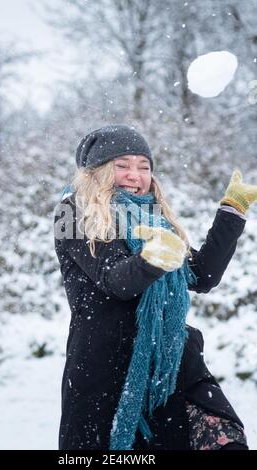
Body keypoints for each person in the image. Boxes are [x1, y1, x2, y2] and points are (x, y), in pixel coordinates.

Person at [54, 124, 256, 451]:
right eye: (122, 166)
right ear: (99, 172)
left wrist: (231, 212)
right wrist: (151, 259)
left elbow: (202, 275)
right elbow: (116, 280)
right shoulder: (74, 212)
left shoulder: (153, 218)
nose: (136, 175)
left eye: (144, 166)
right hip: (108, 372)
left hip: (169, 365)